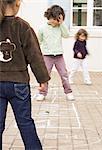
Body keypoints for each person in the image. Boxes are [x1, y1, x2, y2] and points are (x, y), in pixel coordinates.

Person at [0, 0, 50, 150]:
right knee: (25, 122)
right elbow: (34, 55)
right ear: (17, 4)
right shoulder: (22, 26)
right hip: (19, 84)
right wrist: (43, 79)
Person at [36, 5, 75, 101]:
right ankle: (42, 93)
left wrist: (61, 23)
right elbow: (38, 41)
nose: (55, 22)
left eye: (58, 20)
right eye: (54, 19)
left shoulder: (60, 27)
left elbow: (66, 35)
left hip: (59, 56)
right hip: (47, 56)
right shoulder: (42, 28)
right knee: (44, 75)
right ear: (49, 17)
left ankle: (68, 92)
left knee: (64, 74)